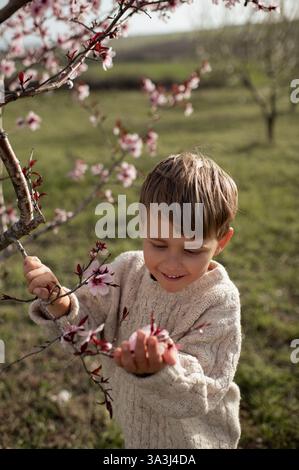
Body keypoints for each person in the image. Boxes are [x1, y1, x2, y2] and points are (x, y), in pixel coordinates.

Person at [24, 151, 242, 449]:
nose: (172, 264)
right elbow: (85, 320)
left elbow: (202, 390)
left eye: (192, 250)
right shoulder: (126, 271)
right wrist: (59, 300)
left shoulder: (218, 300)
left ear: (221, 242)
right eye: (158, 244)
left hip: (194, 440)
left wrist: (160, 367)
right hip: (138, 433)